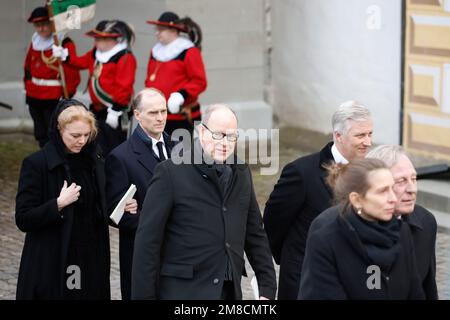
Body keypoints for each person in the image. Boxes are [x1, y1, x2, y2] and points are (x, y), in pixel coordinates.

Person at [131, 104, 276, 300]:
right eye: (218, 135)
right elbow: (147, 243)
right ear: (201, 131)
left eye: (231, 136)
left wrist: (267, 288)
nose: (224, 143)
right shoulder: (170, 172)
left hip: (228, 291)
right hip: (184, 292)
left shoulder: (241, 172)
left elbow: (255, 234)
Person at [263, 100, 373, 299]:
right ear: (338, 136)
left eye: (370, 134)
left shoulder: (372, 173)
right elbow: (273, 222)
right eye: (360, 135)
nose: (368, 142)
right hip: (306, 284)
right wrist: (292, 260)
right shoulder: (301, 173)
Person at [15, 99, 110, 300]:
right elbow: (23, 218)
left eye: (86, 135)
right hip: (54, 258)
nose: (82, 141)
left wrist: (118, 206)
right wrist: (58, 204)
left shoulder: (94, 160)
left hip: (91, 255)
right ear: (59, 130)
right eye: (75, 136)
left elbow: (98, 203)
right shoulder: (36, 164)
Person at [298, 159, 424, 299]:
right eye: (382, 191)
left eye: (392, 188)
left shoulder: (402, 232)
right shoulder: (327, 241)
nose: (393, 199)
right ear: (357, 200)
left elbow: (415, 292)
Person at [105, 88, 174, 300]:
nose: (161, 118)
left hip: (179, 252)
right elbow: (117, 214)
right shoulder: (120, 157)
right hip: (143, 255)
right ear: (137, 114)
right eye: (153, 113)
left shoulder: (181, 147)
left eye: (163, 111)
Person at [53, 20, 137, 156]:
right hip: (97, 109)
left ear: (112, 39)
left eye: (100, 39)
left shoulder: (125, 57)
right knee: (95, 145)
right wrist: (65, 56)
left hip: (115, 110)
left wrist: (115, 110)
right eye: (96, 38)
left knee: (113, 146)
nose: (96, 42)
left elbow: (124, 87)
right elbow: (81, 62)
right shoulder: (96, 53)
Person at [367, 145, 438, 299]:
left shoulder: (426, 222)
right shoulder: (340, 227)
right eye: (401, 181)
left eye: (414, 179)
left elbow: (428, 287)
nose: (412, 189)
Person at [24, 6, 81, 147]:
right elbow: (28, 67)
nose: (41, 29)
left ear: (52, 24)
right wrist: (27, 87)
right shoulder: (35, 41)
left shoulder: (63, 42)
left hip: (53, 96)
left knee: (54, 134)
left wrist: (68, 93)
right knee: (40, 132)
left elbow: (72, 71)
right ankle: (44, 161)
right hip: (34, 94)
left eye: (44, 24)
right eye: (37, 25)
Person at [145, 11, 207, 135]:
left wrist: (181, 94)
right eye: (156, 29)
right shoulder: (155, 51)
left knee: (182, 154)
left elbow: (199, 81)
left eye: (161, 29)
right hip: (158, 115)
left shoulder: (189, 51)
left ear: (173, 30)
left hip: (181, 116)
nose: (157, 33)